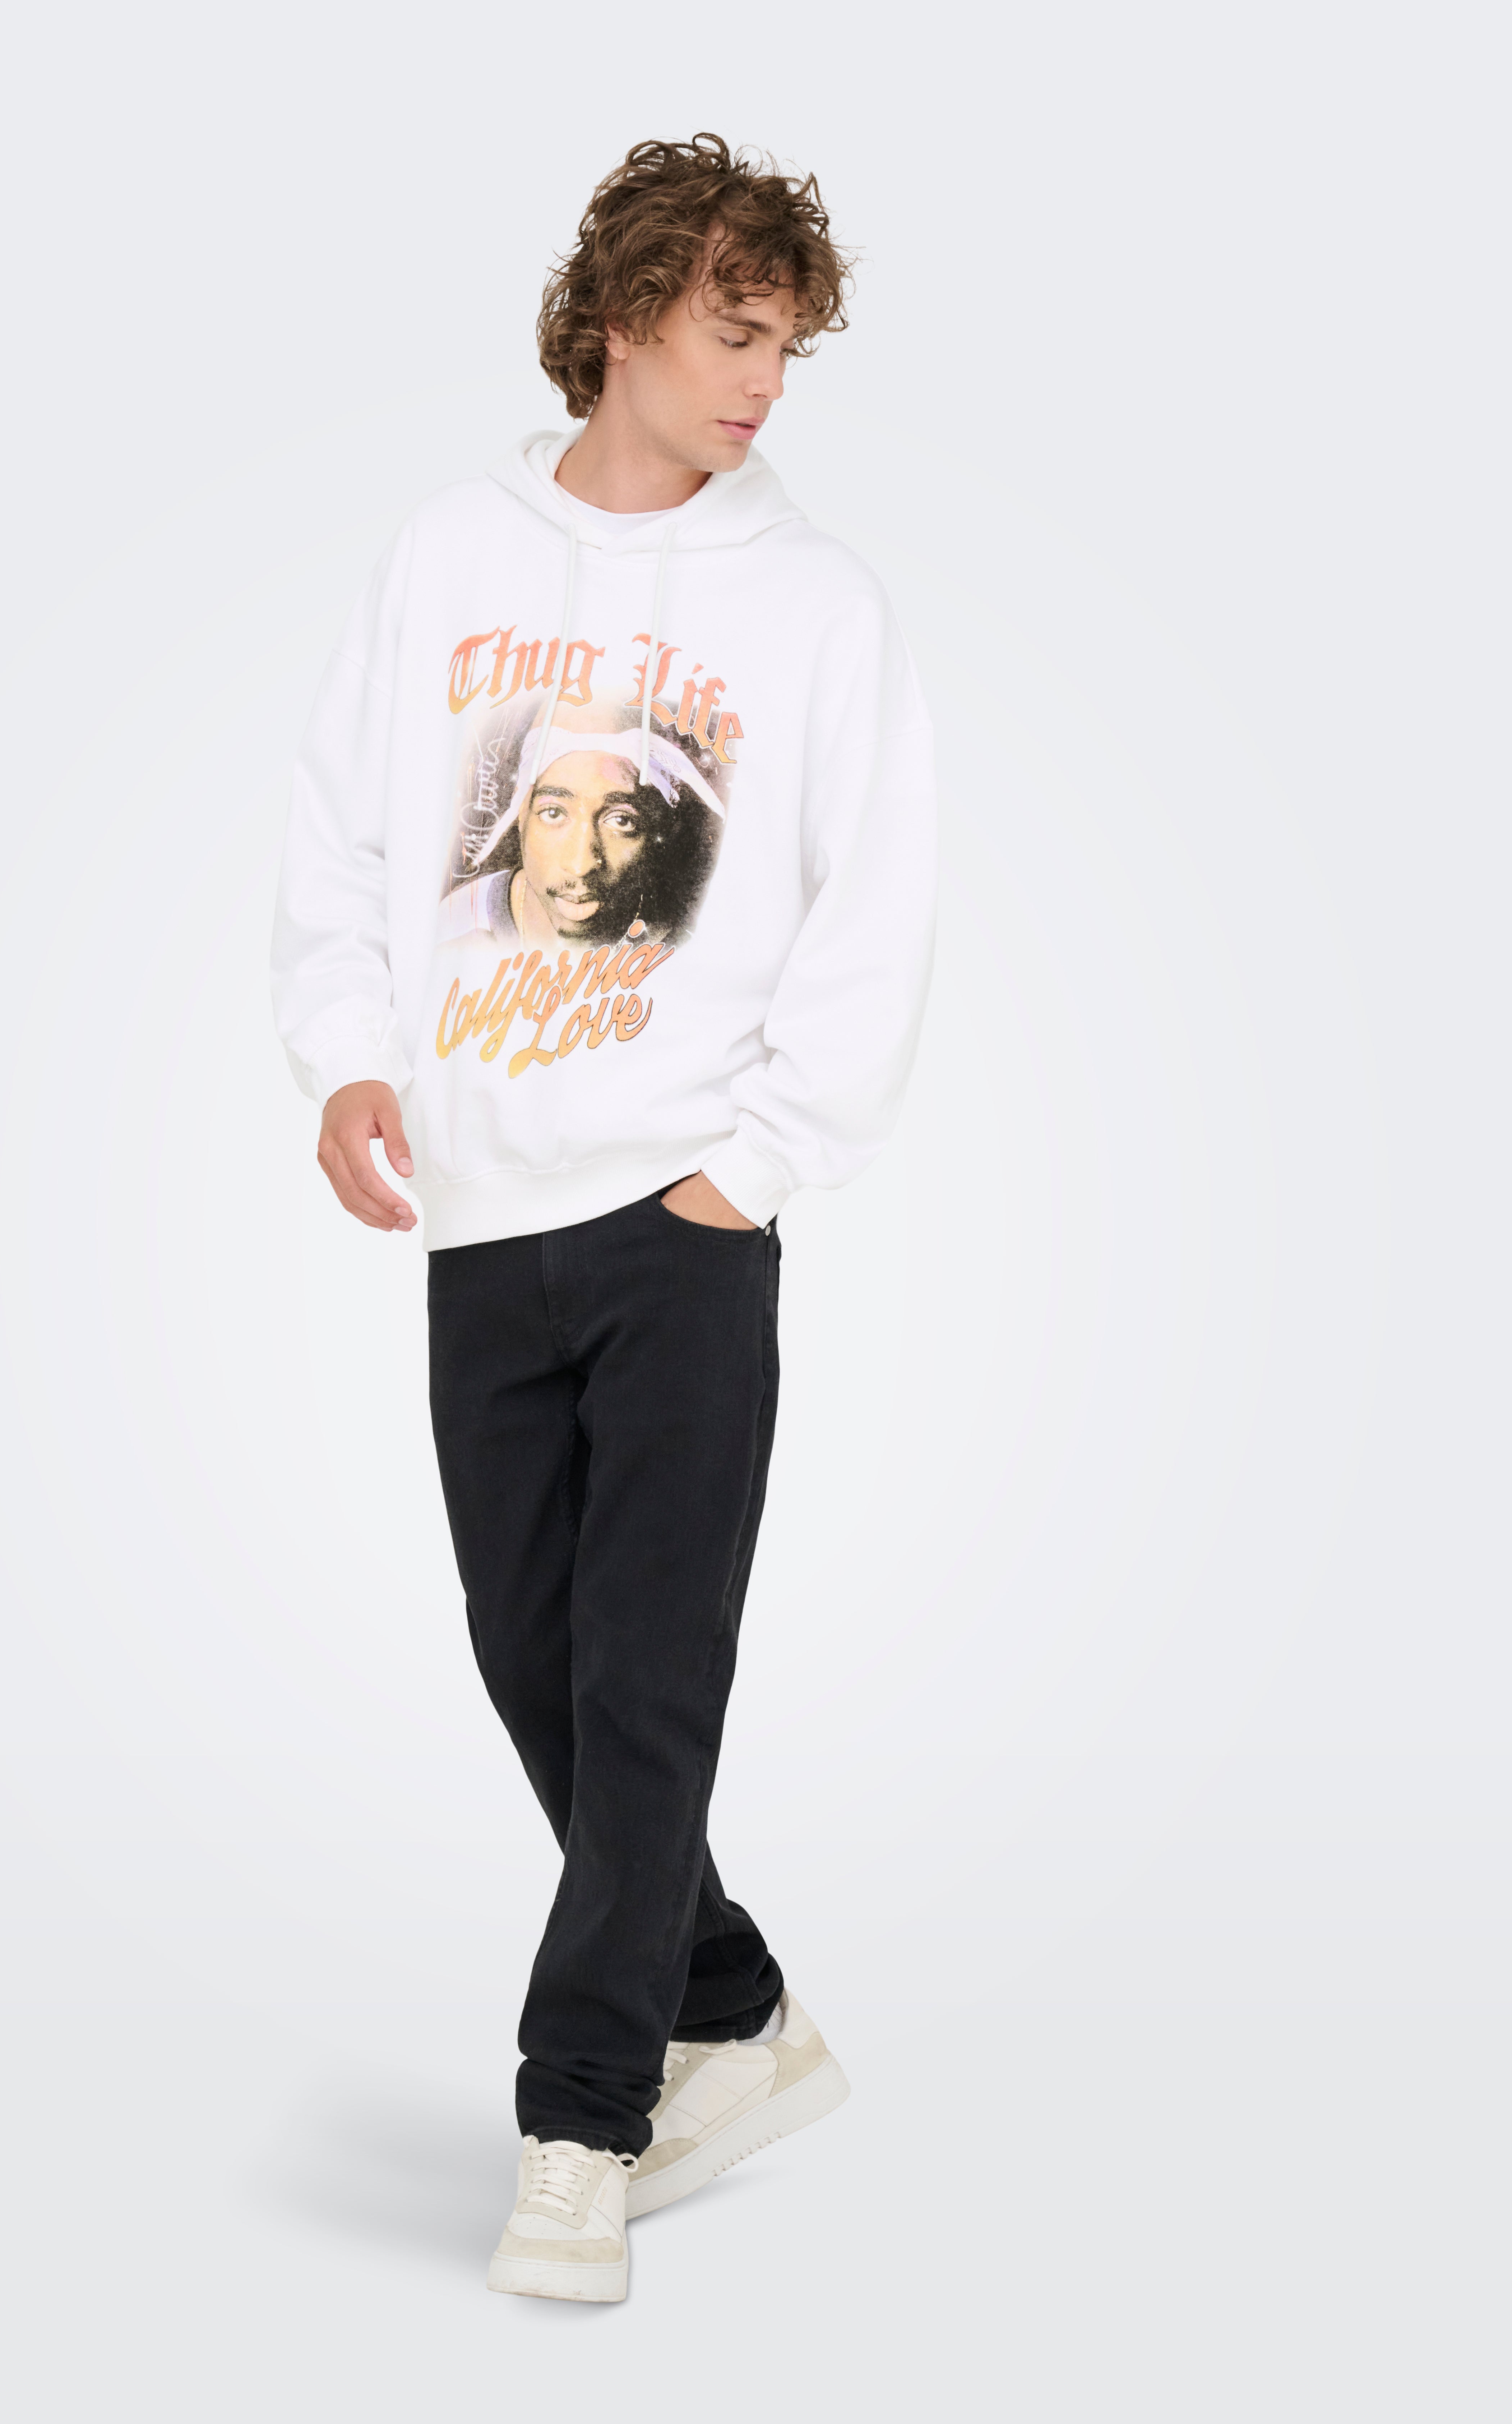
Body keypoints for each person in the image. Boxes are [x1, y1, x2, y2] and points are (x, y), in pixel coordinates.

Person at [271, 132, 937, 2303]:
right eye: (734, 333)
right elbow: (341, 834)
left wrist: (758, 1165)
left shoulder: (816, 604)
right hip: (481, 1214)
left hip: (683, 1219)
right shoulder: (451, 552)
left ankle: (582, 2122)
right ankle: (732, 2001)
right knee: (532, 1660)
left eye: (787, 347)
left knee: (647, 1682)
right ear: (628, 316)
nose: (764, 383)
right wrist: (347, 1055)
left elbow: (879, 901)